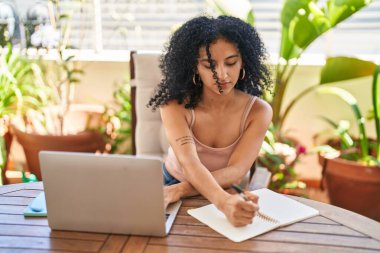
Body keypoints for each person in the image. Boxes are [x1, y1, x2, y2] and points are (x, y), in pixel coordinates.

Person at [148, 15, 272, 227]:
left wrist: (181, 191)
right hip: (168, 184)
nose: (222, 74)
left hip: (223, 188)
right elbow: (189, 164)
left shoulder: (258, 111)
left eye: (231, 62)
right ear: (194, 67)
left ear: (244, 62)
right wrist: (222, 202)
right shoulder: (174, 105)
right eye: (209, 65)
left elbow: (235, 172)